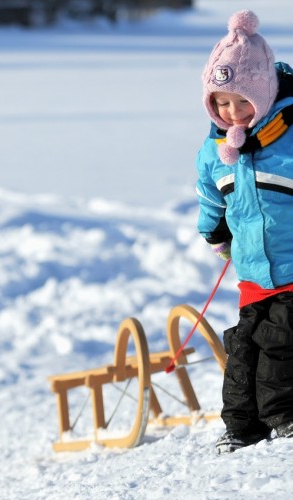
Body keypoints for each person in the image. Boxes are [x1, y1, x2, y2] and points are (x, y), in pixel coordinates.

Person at [196, 9, 293, 455]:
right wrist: (214, 233)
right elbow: (211, 197)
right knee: (243, 349)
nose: (232, 113)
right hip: (254, 271)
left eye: (242, 101)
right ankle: (241, 425)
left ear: (266, 93)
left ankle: (284, 416)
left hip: (292, 266)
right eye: (221, 102)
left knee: (280, 342)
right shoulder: (216, 151)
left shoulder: (287, 140)